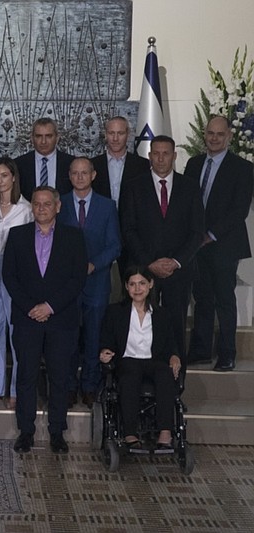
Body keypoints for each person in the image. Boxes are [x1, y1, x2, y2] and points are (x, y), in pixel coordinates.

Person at [3, 186, 87, 455]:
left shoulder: (74, 237)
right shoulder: (16, 236)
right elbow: (9, 276)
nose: (41, 208)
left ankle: (56, 432)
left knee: (59, 378)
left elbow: (77, 279)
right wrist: (32, 307)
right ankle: (25, 431)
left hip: (61, 320)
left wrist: (49, 307)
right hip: (27, 319)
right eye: (37, 204)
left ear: (58, 206)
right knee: (26, 376)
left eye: (47, 204)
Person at [120, 135, 204, 362]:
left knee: (176, 328)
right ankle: (147, 388)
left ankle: (176, 389)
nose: (160, 158)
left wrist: (176, 261)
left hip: (178, 272)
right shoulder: (133, 186)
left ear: (174, 156)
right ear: (149, 156)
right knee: (143, 328)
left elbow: (197, 232)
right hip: (143, 272)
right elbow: (128, 230)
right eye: (155, 153)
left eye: (165, 153)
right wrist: (149, 263)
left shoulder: (190, 186)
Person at [185, 116, 254, 371]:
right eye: (210, 133)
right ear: (205, 134)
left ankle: (227, 353)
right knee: (201, 297)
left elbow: (239, 210)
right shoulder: (193, 164)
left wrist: (211, 234)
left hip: (224, 243)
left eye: (219, 134)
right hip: (196, 244)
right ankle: (201, 350)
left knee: (224, 298)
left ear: (229, 137)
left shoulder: (243, 168)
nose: (214, 138)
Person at [57, 158, 121, 408]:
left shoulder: (107, 206)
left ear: (93, 175)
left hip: (96, 283)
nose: (80, 177)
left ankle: (90, 385)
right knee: (69, 336)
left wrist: (94, 264)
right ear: (69, 176)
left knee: (94, 336)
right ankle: (70, 385)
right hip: (67, 283)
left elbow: (115, 245)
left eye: (85, 173)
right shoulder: (59, 203)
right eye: (75, 173)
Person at [99, 266, 181, 450]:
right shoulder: (115, 312)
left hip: (153, 360)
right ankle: (130, 433)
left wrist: (175, 356)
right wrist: (105, 352)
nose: (137, 289)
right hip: (128, 360)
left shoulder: (161, 314)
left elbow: (171, 344)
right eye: (133, 284)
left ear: (150, 284)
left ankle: (165, 432)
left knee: (165, 375)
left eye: (142, 283)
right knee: (130, 377)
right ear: (126, 287)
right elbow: (106, 340)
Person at [0, 157, 33, 409]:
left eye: (4, 175)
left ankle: (16, 390)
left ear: (14, 177)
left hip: (18, 273)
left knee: (17, 333)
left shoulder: (27, 209)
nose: (0, 180)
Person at [90, 116, 150, 207]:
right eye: (111, 133)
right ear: (105, 134)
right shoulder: (93, 165)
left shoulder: (142, 165)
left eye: (120, 133)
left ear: (128, 134)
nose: (115, 139)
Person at [14, 117, 75, 201]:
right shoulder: (18, 165)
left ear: (57, 138)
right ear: (32, 139)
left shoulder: (71, 163)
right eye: (38, 136)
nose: (43, 141)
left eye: (48, 136)